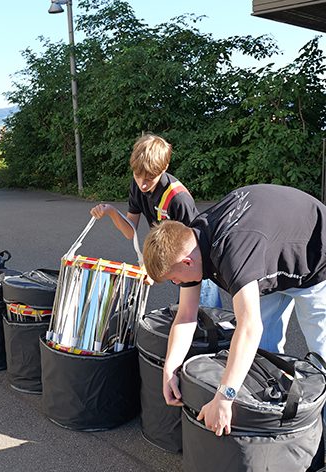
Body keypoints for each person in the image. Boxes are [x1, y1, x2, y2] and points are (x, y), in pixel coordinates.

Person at [142, 183, 326, 437]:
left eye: (173, 278)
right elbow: (185, 316)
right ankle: (274, 430)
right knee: (261, 356)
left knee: (321, 358)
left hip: (315, 258)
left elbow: (249, 327)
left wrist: (224, 397)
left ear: (187, 262)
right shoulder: (192, 242)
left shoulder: (232, 254)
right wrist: (170, 369)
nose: (176, 283)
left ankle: (318, 438)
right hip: (269, 256)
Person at [90, 133, 221, 307]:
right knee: (184, 315)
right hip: (180, 266)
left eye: (149, 179)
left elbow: (191, 250)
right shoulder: (137, 186)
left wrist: (152, 269)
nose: (142, 184)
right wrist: (111, 212)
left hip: (197, 268)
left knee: (203, 316)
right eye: (138, 176)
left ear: (164, 167)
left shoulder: (178, 199)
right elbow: (130, 232)